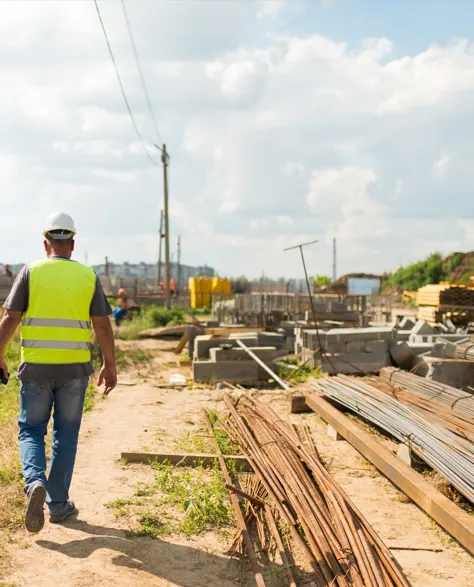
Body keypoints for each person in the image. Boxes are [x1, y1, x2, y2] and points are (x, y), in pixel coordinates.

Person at [0, 212, 117, 534]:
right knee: (66, 436)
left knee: (31, 429)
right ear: (73, 244)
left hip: (36, 369)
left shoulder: (30, 272)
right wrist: (110, 363)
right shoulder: (87, 276)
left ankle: (35, 482)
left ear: (45, 243)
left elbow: (10, 318)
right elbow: (103, 325)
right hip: (74, 370)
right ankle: (58, 503)